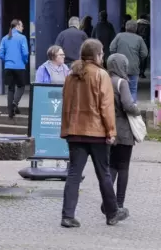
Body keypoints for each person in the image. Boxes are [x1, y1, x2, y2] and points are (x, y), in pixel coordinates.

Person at [60, 39, 127, 228]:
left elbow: (66, 104)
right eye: (102, 52)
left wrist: (66, 129)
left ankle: (67, 215)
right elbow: (106, 107)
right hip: (97, 132)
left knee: (74, 174)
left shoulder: (71, 76)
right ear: (96, 55)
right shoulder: (101, 75)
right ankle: (112, 213)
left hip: (75, 132)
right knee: (104, 174)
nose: (103, 55)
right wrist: (111, 131)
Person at [105, 53, 141, 216]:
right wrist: (136, 109)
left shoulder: (103, 80)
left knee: (110, 166)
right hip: (124, 131)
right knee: (123, 167)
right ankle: (119, 204)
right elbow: (127, 104)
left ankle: (107, 201)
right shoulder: (122, 83)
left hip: (107, 129)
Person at [109, 20, 148, 102]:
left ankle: (121, 108)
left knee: (119, 88)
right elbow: (144, 53)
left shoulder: (119, 36)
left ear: (126, 27)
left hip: (119, 68)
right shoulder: (139, 39)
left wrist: (117, 58)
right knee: (133, 89)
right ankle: (132, 109)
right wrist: (137, 59)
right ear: (136, 28)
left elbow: (111, 48)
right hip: (133, 67)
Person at [0, 19, 29, 118]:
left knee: (10, 89)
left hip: (8, 67)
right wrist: (24, 61)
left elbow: (0, 53)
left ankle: (10, 112)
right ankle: (15, 103)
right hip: (19, 67)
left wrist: (7, 61)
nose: (23, 28)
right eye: (22, 26)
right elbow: (25, 53)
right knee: (21, 86)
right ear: (17, 26)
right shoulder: (22, 38)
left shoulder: (5, 38)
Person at [136, 14, 151, 78]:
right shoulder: (148, 25)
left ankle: (137, 71)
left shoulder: (137, 24)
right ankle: (142, 72)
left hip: (137, 41)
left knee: (137, 56)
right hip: (145, 42)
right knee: (144, 56)